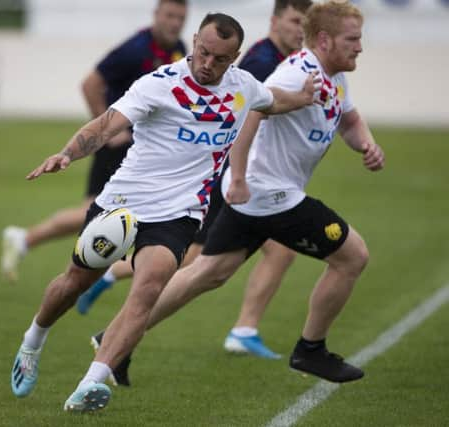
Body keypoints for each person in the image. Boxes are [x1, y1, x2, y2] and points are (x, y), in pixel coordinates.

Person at [10, 13, 320, 413]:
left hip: (179, 213)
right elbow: (106, 125)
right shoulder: (160, 84)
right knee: (74, 282)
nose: (208, 63)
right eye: (203, 52)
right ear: (195, 41)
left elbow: (273, 100)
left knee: (150, 286)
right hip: (122, 203)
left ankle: (91, 382)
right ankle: (33, 339)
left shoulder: (244, 87)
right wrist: (68, 153)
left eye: (220, 59)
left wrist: (304, 96)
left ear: (235, 57)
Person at [108, 0, 385, 385]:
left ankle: (113, 340)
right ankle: (311, 350)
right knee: (352, 255)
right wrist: (237, 176)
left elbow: (350, 118)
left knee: (206, 272)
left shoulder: (334, 74)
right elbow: (252, 110)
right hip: (269, 193)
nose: (359, 47)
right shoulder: (296, 73)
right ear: (324, 40)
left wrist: (366, 145)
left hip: (261, 193)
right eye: (352, 39)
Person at [78, 0, 312, 362]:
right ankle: (119, 330)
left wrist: (301, 99)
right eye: (296, 21)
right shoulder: (261, 62)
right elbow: (245, 117)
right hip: (221, 180)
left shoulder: (274, 61)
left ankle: (119, 324)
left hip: (234, 179)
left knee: (209, 266)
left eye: (305, 24)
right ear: (275, 20)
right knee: (197, 265)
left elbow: (263, 104)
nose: (301, 31)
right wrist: (237, 176)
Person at [1, 0, 188, 282]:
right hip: (118, 145)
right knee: (95, 212)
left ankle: (35, 246)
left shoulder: (179, 50)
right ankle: (51, 256)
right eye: (170, 15)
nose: (175, 22)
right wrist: (110, 133)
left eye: (180, 17)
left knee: (100, 211)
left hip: (144, 146)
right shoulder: (135, 49)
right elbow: (90, 83)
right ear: (156, 15)